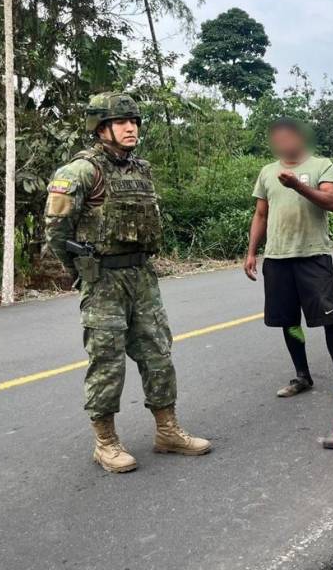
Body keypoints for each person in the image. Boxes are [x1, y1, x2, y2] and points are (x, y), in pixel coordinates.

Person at [44, 92, 211, 473]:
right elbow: (56, 231)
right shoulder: (80, 171)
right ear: (101, 127)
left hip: (142, 277)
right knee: (107, 361)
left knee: (158, 353)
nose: (131, 127)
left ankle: (167, 431)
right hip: (103, 279)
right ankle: (105, 443)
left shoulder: (140, 169)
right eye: (121, 122)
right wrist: (80, 271)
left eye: (134, 121)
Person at [245, 117, 333, 398]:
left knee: (329, 319)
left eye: (288, 137)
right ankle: (302, 376)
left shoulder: (321, 165)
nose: (283, 143)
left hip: (313, 256)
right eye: (277, 139)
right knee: (289, 322)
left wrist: (298, 186)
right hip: (277, 258)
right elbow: (261, 214)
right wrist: (251, 252)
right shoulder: (267, 172)